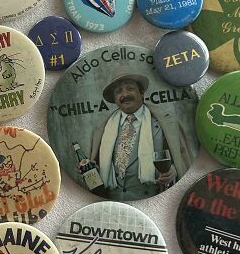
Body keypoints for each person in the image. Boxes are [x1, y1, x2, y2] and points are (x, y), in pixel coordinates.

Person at [78, 72, 193, 200]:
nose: (125, 94)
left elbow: (181, 160)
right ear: (115, 99)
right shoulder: (102, 128)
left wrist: (173, 172)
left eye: (130, 88)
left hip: (151, 199)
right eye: (118, 91)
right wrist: (93, 169)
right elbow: (99, 165)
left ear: (142, 93)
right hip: (111, 199)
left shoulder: (165, 123)